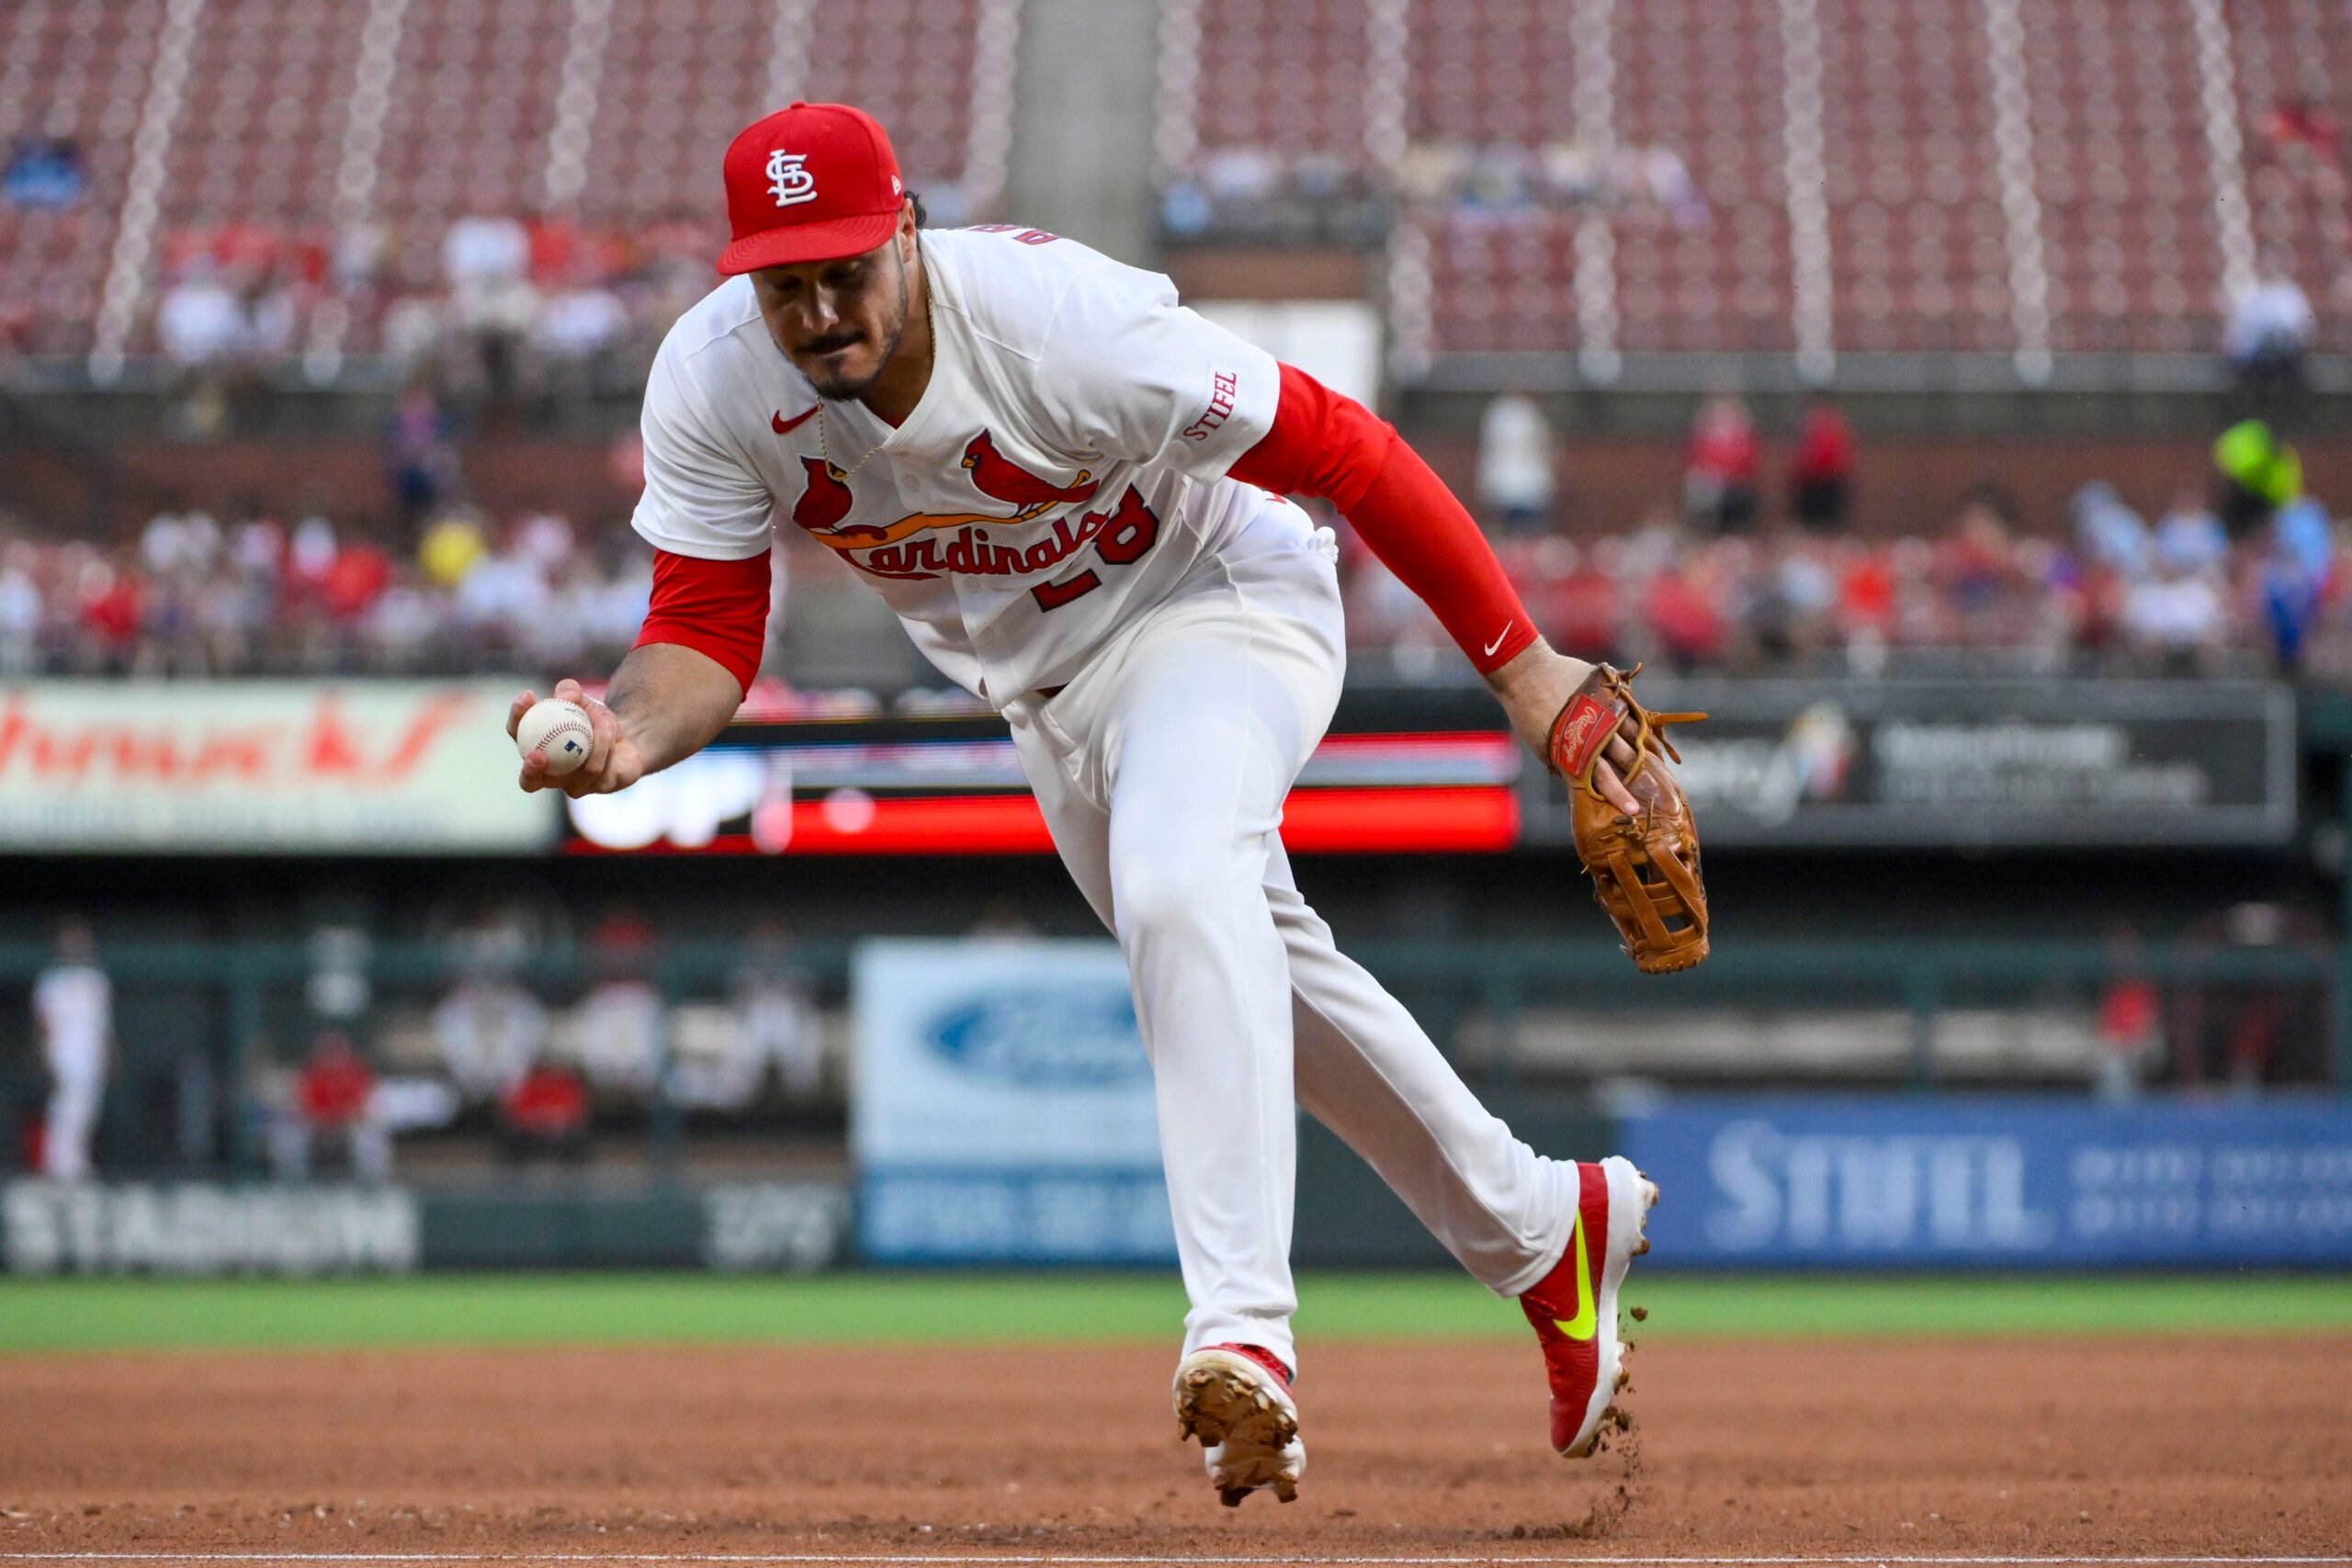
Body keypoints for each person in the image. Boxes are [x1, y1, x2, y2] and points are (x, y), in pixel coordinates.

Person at [506, 102, 1659, 1506]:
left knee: (1185, 888)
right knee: (1257, 982)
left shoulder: (1060, 322)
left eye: (845, 268)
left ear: (908, 230)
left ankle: (1244, 1332)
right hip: (1048, 699)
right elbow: (702, 630)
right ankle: (1545, 1227)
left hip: (1216, 603)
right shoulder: (712, 379)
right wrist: (625, 734)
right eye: (783, 280)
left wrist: (1524, 665)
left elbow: (1341, 446)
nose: (817, 309)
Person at [32, 919, 109, 1180]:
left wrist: (107, 1052)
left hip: (90, 1052)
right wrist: (45, 1054)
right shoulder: (52, 982)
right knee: (65, 1107)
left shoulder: (96, 981)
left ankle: (77, 1163)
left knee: (88, 1108)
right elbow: (44, 1023)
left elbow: (102, 1023)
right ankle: (57, 1166)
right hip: (64, 1052)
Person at [1474, 389, 1555, 532]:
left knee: (1529, 528)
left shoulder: (1532, 415)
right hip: (1505, 482)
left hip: (1530, 484)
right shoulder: (1500, 415)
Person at [1787, 399, 1854, 533]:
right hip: (1810, 482)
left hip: (1828, 481)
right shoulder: (1809, 428)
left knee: (1827, 522)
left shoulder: (1833, 426)